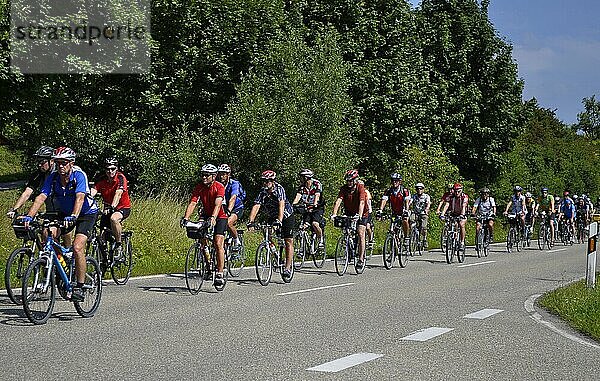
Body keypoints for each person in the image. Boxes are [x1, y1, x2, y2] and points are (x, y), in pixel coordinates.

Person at [19, 147, 99, 301]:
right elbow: (41, 196)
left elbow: (80, 198)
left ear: (71, 163)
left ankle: (80, 286)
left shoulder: (79, 175)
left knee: (77, 247)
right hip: (65, 213)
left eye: (64, 163)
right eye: (58, 162)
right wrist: (29, 216)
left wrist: (74, 216)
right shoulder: (53, 177)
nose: (60, 166)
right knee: (47, 233)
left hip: (85, 213)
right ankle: (60, 265)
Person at [181, 164, 228, 289]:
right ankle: (208, 265)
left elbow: (218, 205)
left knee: (218, 243)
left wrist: (213, 218)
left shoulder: (219, 187)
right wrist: (186, 218)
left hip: (220, 216)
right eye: (202, 174)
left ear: (213, 176)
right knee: (201, 239)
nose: (203, 177)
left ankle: (219, 273)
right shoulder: (199, 187)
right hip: (206, 214)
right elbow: (193, 203)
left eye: (207, 175)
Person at [247, 170, 295, 281]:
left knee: (288, 240)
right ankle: (275, 253)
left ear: (273, 181)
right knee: (267, 233)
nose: (266, 183)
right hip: (272, 215)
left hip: (286, 215)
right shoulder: (262, 192)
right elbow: (256, 205)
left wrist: (279, 220)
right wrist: (251, 221)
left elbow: (281, 205)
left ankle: (287, 267)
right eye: (264, 181)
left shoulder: (279, 189)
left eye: (268, 180)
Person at [91, 158, 131, 258]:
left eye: (113, 169)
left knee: (114, 218)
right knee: (102, 235)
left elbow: (118, 193)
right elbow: (92, 193)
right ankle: (103, 260)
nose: (110, 171)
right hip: (107, 209)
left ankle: (119, 245)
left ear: (116, 169)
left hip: (122, 207)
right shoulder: (101, 179)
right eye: (108, 169)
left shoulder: (120, 178)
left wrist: (112, 207)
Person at [331, 169, 368, 271]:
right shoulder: (344, 188)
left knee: (360, 233)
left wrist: (359, 215)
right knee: (346, 230)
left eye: (350, 181)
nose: (348, 183)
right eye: (347, 181)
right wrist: (334, 214)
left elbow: (362, 202)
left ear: (355, 180)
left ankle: (360, 259)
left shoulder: (360, 188)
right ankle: (349, 250)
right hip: (349, 212)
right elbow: (338, 200)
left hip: (362, 213)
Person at [7, 146, 57, 219]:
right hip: (50, 211)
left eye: (42, 162)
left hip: (64, 212)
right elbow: (27, 193)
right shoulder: (39, 174)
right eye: (38, 162)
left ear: (52, 161)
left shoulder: (59, 174)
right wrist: (14, 209)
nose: (39, 165)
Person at [291, 169, 325, 248]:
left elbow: (317, 195)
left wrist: (315, 203)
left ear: (306, 177)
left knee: (315, 224)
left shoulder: (316, 184)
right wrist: (293, 205)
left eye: (301, 177)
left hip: (317, 208)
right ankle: (303, 248)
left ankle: (321, 239)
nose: (300, 179)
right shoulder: (302, 187)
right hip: (307, 208)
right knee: (304, 226)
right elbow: (298, 196)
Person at [376, 173, 411, 248]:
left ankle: (406, 237)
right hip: (394, 212)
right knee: (393, 228)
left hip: (403, 210)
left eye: (396, 181)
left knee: (405, 220)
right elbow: (384, 200)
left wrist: (406, 211)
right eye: (392, 180)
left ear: (400, 182)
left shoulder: (404, 190)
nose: (394, 182)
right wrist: (380, 210)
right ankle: (393, 250)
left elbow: (407, 201)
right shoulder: (389, 191)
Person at [217, 164, 245, 250]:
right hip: (224, 206)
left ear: (228, 174)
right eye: (220, 173)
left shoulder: (234, 184)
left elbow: (233, 198)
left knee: (228, 222)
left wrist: (229, 210)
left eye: (224, 174)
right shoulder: (217, 184)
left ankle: (236, 241)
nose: (221, 176)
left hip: (236, 207)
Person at [441, 183, 469, 249]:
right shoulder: (451, 197)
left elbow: (464, 206)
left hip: (462, 213)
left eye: (458, 191)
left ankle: (462, 242)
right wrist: (442, 214)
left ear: (461, 190)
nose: (457, 193)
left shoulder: (464, 197)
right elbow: (446, 205)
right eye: (455, 191)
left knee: (461, 224)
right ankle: (454, 240)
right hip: (454, 213)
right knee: (454, 225)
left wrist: (462, 214)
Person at [411, 182, 431, 248]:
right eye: (417, 189)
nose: (419, 190)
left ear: (423, 189)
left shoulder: (426, 196)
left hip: (423, 213)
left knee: (423, 227)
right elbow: (409, 202)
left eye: (421, 189)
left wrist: (427, 209)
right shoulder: (414, 196)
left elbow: (428, 203)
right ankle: (412, 236)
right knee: (411, 220)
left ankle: (424, 239)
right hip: (415, 212)